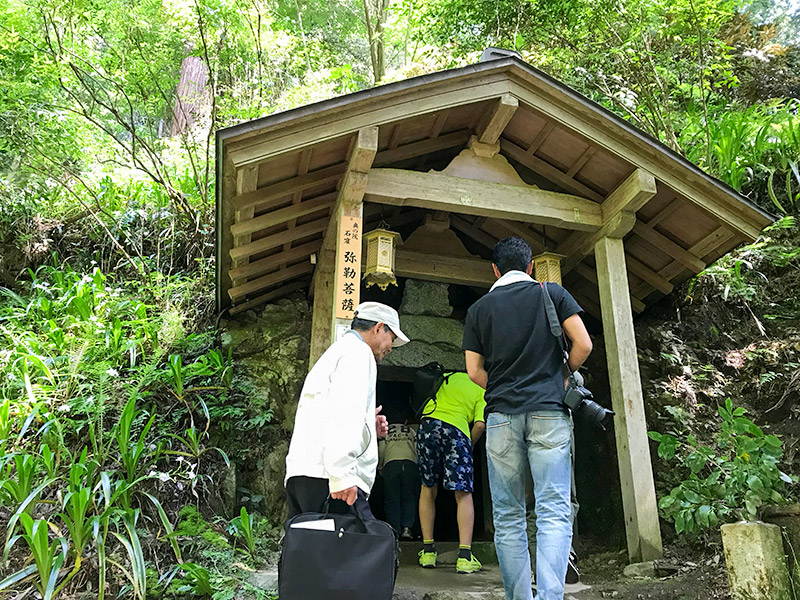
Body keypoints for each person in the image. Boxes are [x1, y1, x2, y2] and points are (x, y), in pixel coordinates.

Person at [462, 236, 592, 600]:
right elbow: (583, 344)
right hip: (549, 413)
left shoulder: (479, 309)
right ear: (531, 266)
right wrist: (561, 378)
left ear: (494, 269)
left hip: (501, 417)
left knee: (508, 516)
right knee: (553, 510)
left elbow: (473, 371)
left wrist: (501, 385)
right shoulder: (552, 294)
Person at [284, 301, 409, 520]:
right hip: (331, 479)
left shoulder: (338, 351)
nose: (390, 348)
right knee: (354, 548)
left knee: (311, 550)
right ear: (379, 328)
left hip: (306, 472)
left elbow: (333, 410)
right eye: (392, 339)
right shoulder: (359, 354)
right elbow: (344, 414)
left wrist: (368, 425)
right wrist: (342, 475)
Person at [416, 371, 486, 574]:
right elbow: (480, 425)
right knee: (463, 493)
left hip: (428, 425)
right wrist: (468, 446)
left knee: (427, 486)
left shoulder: (446, 376)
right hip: (457, 431)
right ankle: (464, 557)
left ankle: (428, 552)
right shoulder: (482, 386)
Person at [379, 414, 420, 540]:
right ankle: (407, 529)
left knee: (392, 499)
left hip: (391, 464)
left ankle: (394, 530)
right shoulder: (410, 431)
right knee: (409, 497)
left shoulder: (387, 430)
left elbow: (381, 449)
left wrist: (380, 467)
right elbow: (417, 448)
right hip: (409, 463)